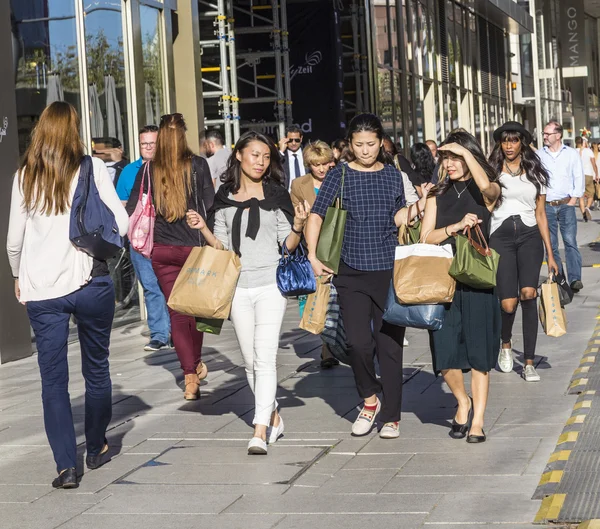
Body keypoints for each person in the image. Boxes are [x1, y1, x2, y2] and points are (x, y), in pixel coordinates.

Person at [6, 102, 129, 488]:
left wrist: (17, 274)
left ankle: (66, 466)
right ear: (74, 129)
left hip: (42, 290)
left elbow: (14, 241)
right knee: (97, 369)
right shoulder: (91, 168)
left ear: (40, 130)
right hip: (90, 281)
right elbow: (121, 222)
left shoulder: (25, 175)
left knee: (53, 381)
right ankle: (95, 447)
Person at [185, 131, 310, 455]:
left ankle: (259, 430)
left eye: (267, 157)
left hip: (271, 286)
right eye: (255, 154)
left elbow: (287, 245)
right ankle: (275, 417)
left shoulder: (277, 194)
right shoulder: (224, 196)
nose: (261, 162)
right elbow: (222, 247)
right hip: (238, 288)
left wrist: (297, 225)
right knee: (251, 363)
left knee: (265, 358)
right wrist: (203, 229)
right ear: (239, 155)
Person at [305, 114, 411, 440]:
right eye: (359, 144)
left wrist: (419, 207)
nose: (365, 151)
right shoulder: (339, 175)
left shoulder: (394, 176)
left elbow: (399, 217)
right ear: (350, 145)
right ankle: (369, 400)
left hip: (388, 272)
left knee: (389, 347)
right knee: (356, 343)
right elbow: (317, 214)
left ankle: (391, 416)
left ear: (381, 143)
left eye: (371, 144)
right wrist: (311, 255)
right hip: (349, 270)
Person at [420, 130, 502, 443]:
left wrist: (466, 153)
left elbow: (489, 189)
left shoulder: (485, 190)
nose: (450, 163)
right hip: (443, 278)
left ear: (470, 156)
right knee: (444, 353)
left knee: (480, 352)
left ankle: (478, 420)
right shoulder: (436, 193)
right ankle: (463, 401)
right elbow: (425, 237)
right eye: (446, 157)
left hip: (478, 278)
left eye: (456, 157)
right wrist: (454, 227)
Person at [126, 113, 215, 400]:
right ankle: (194, 363)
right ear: (183, 136)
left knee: (177, 313)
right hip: (193, 249)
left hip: (162, 251)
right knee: (196, 311)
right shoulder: (197, 165)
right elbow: (210, 206)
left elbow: (132, 208)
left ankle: (190, 376)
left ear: (162, 138)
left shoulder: (149, 169)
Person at [488, 122, 559, 382]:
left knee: (528, 295)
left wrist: (551, 255)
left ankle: (529, 361)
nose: (509, 146)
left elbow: (541, 214)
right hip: (501, 237)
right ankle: (505, 343)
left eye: (514, 141)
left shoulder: (535, 172)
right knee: (508, 303)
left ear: (522, 143)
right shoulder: (492, 171)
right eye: (505, 141)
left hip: (529, 235)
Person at [116, 125, 171, 352]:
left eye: (152, 143)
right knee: (150, 287)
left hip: (167, 238)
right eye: (144, 143)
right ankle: (159, 334)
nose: (148, 147)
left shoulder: (169, 168)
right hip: (139, 241)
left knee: (170, 286)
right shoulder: (129, 171)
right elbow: (120, 205)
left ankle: (177, 331)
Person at [290, 140, 340, 369]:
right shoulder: (299, 185)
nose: (320, 169)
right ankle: (326, 347)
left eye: (323, 163)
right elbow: (296, 215)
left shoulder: (340, 178)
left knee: (340, 297)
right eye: (315, 164)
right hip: (315, 246)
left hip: (340, 242)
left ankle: (338, 340)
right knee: (322, 296)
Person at [537, 120, 585, 292]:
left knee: (570, 241)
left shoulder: (571, 154)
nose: (544, 136)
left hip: (566, 204)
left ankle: (574, 279)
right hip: (547, 205)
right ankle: (560, 278)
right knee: (551, 244)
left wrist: (573, 200)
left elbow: (578, 176)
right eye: (543, 133)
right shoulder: (539, 154)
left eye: (547, 134)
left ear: (558, 135)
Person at [575, 136, 598, 222]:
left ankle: (584, 213)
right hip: (588, 174)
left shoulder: (573, 151)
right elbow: (593, 163)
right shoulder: (588, 151)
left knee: (581, 197)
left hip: (578, 176)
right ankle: (587, 207)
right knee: (591, 194)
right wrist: (597, 174)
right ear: (583, 142)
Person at [279, 125, 306, 189]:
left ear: (301, 139)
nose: (293, 143)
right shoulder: (282, 155)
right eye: (290, 140)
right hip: (287, 195)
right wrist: (281, 151)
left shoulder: (307, 153)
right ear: (285, 139)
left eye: (297, 140)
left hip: (307, 195)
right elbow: (273, 167)